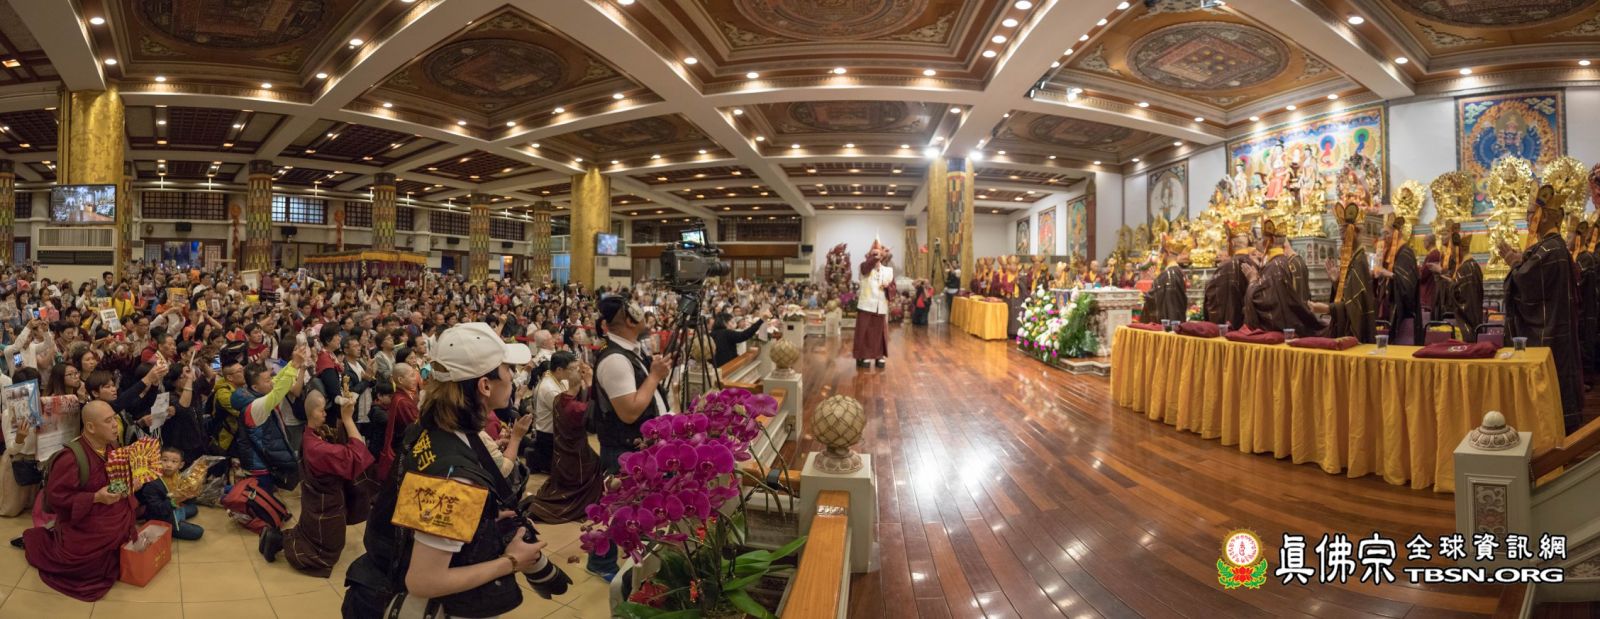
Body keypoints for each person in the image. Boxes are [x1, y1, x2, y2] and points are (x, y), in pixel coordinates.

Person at [341, 322, 569, 617]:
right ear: (485, 386)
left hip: (380, 573)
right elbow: (424, 580)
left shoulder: (432, 427)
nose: (512, 377)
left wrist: (481, 518)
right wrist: (512, 561)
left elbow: (415, 506)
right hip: (397, 596)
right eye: (507, 369)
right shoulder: (455, 478)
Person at [589, 295, 670, 580]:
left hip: (638, 447)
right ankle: (601, 563)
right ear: (629, 319)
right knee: (618, 510)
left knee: (631, 508)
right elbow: (629, 411)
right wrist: (654, 377)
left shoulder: (627, 351)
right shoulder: (615, 359)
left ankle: (628, 559)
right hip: (624, 448)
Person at [22, 400, 136, 602]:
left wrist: (131, 483)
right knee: (87, 573)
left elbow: (116, 478)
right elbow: (56, 497)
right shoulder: (71, 458)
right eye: (108, 421)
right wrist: (95, 497)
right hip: (87, 524)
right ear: (90, 427)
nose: (115, 425)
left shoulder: (111, 446)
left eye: (115, 419)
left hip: (113, 515)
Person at [259, 389, 375, 577]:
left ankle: (276, 538)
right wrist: (348, 420)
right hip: (326, 505)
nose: (325, 413)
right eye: (322, 410)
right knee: (324, 551)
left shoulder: (310, 434)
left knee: (310, 532)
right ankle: (281, 542)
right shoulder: (318, 448)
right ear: (312, 412)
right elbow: (357, 455)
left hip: (316, 501)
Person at [1500, 184, 1583, 432]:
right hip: (1557, 326)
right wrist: (1521, 261)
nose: (1527, 219)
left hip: (1549, 331)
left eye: (1529, 213)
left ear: (1543, 216)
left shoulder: (1549, 249)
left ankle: (1550, 431)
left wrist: (1512, 261)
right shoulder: (1554, 247)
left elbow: (1525, 282)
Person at [523, 353, 600, 524]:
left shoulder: (560, 394)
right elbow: (589, 413)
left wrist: (579, 384)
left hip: (561, 443)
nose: (578, 371)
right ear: (560, 369)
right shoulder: (554, 391)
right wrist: (589, 383)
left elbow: (572, 398)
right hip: (553, 440)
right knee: (595, 465)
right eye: (574, 368)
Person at [235, 346, 312, 491]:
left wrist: (292, 363)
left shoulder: (256, 393)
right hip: (259, 465)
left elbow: (278, 380)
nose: (271, 382)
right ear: (255, 387)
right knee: (263, 497)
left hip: (266, 458)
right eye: (267, 380)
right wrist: (295, 366)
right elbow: (278, 392)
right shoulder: (256, 405)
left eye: (269, 378)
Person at [1245, 217, 1326, 335]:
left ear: (1271, 240)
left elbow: (1264, 302)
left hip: (1281, 331)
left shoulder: (1275, 266)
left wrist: (1252, 281)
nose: (1260, 242)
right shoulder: (1284, 261)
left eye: (1262, 238)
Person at [1325, 200, 1376, 342]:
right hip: (1345, 322)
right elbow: (1348, 293)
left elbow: (1355, 302)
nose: (1342, 240)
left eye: (1344, 234)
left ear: (1354, 233)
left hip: (1354, 327)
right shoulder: (1352, 258)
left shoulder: (1359, 261)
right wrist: (1336, 282)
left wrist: (1327, 309)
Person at [134, 445, 204, 541]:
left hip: (174, 510)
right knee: (198, 532)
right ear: (158, 461)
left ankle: (179, 517)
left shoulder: (178, 475)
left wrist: (192, 491)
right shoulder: (152, 483)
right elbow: (158, 510)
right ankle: (174, 526)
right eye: (165, 460)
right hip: (161, 517)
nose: (169, 465)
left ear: (181, 465)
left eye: (174, 461)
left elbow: (187, 498)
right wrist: (174, 500)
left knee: (193, 508)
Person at [1375, 216, 1423, 345]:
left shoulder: (1406, 252)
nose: (1385, 237)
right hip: (1388, 303)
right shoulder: (1390, 252)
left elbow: (1408, 283)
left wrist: (1388, 274)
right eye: (1383, 234)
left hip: (1401, 307)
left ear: (1397, 233)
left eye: (1387, 233)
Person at [1204, 221, 1255, 328]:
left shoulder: (1224, 268)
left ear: (1232, 243)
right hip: (1251, 328)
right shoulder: (1256, 265)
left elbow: (1211, 297)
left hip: (1229, 327)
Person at [853, 241, 894, 368]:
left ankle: (879, 355)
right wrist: (877, 255)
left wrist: (888, 287)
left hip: (880, 306)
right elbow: (866, 268)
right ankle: (864, 355)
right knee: (864, 331)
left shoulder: (888, 271)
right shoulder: (863, 267)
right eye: (873, 254)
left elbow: (893, 287)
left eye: (878, 254)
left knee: (879, 332)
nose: (876, 257)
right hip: (866, 304)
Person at [1141, 234, 1190, 324]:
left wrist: (1143, 295)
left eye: (1161, 253)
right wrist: (1157, 280)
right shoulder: (1178, 272)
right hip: (1178, 320)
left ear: (1166, 253)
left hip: (1168, 323)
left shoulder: (1168, 274)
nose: (1160, 256)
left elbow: (1155, 298)